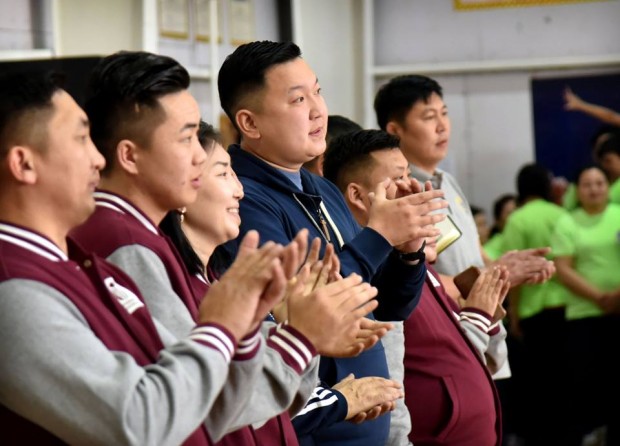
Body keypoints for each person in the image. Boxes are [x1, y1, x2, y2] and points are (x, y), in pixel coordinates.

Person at [70, 51, 381, 443]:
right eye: (185, 139)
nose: (198, 156)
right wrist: (299, 336)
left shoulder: (145, 237)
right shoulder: (123, 242)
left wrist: (293, 332)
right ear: (130, 155)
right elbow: (197, 398)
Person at [0, 71, 293, 445]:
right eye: (80, 139)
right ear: (23, 164)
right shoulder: (14, 287)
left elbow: (199, 405)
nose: (97, 159)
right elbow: (139, 419)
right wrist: (223, 327)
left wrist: (253, 328)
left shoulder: (80, 264)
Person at [218, 40, 448, 446]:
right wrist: (380, 236)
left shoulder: (322, 188)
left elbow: (386, 306)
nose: (317, 110)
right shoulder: (244, 201)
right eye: (297, 99)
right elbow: (303, 307)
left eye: (318, 92)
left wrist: (408, 252)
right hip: (316, 429)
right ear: (250, 123)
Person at [160, 121, 399, 445]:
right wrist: (333, 396)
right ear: (183, 187)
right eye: (223, 174)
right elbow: (216, 402)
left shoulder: (214, 278)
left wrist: (296, 332)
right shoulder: (174, 282)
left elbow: (261, 381)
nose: (239, 190)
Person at [323, 129, 510, 446]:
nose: (413, 189)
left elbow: (477, 356)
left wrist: (484, 315)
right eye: (399, 179)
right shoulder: (371, 273)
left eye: (410, 175)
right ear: (357, 195)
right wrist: (478, 316)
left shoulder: (410, 259)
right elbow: (388, 385)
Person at [374, 74, 555, 296]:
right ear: (395, 130)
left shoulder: (448, 181)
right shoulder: (396, 193)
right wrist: (492, 275)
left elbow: (477, 255)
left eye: (444, 113)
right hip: (446, 317)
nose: (442, 126)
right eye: (429, 117)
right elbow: (415, 285)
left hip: (477, 314)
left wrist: (509, 267)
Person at [499, 163, 570, 445]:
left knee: (536, 383)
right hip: (566, 307)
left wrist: (514, 315)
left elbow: (513, 274)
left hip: (533, 312)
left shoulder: (518, 220)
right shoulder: (562, 214)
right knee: (564, 379)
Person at [552, 165, 620, 446]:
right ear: (577, 190)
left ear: (608, 187)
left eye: (600, 183)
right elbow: (563, 269)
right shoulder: (567, 222)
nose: (594, 189)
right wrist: (601, 298)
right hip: (584, 316)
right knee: (588, 383)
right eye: (587, 184)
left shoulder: (618, 214)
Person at [483, 194, 516, 261]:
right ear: (498, 220)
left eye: (518, 212)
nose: (516, 217)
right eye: (510, 213)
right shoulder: (489, 250)